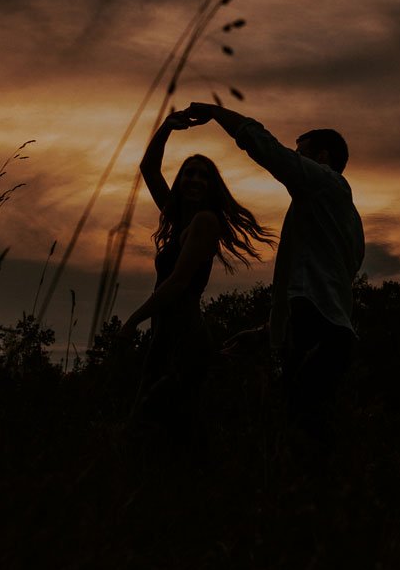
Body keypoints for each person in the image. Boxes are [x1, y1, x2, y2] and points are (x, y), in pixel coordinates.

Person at [179, 103, 364, 439]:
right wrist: (269, 329)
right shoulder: (340, 216)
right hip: (331, 332)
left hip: (319, 330)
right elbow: (325, 285)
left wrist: (216, 112)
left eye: (300, 154)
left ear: (321, 158)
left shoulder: (326, 183)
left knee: (302, 433)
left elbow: (266, 148)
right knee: (307, 427)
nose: (293, 159)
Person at [122, 109, 273, 422]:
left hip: (184, 335)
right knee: (150, 422)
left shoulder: (205, 222)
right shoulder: (178, 220)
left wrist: (132, 320)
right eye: (189, 173)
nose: (194, 179)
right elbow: (148, 168)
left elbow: (178, 283)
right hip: (164, 332)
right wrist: (165, 128)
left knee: (156, 422)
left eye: (203, 175)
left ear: (211, 187)